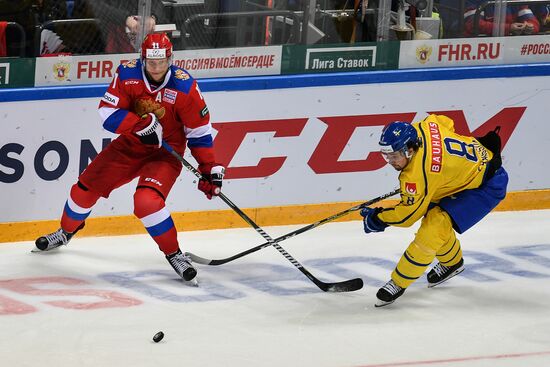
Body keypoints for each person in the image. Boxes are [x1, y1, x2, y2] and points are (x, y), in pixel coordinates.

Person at [34, 33, 225, 284]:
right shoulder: (127, 74)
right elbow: (107, 111)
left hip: (165, 154)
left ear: (170, 59)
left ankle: (174, 254)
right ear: (142, 59)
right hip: (129, 146)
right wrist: (139, 124)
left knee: (146, 202)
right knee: (83, 190)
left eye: (162, 62)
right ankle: (65, 232)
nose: (156, 67)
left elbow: (199, 132)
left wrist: (208, 169)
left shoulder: (186, 87)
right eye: (151, 61)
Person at [360, 115, 508, 307]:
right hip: (467, 173)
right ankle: (452, 262)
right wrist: (448, 166)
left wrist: (378, 218)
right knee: (435, 218)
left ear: (410, 149)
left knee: (434, 225)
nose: (390, 161)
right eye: (386, 155)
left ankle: (398, 282)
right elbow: (446, 122)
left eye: (394, 156)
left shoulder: (416, 175)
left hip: (487, 186)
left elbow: (407, 216)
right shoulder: (425, 126)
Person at [72, 0, 166, 53]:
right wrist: (125, 19)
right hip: (107, 37)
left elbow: (158, 3)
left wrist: (152, 17)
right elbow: (94, 6)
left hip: (143, 38)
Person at [464, 1, 540, 37]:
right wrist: (509, 28)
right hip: (479, 47)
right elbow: (472, 24)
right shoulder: (474, 1)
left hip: (509, 46)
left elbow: (533, 22)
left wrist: (530, 27)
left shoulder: (516, 1)